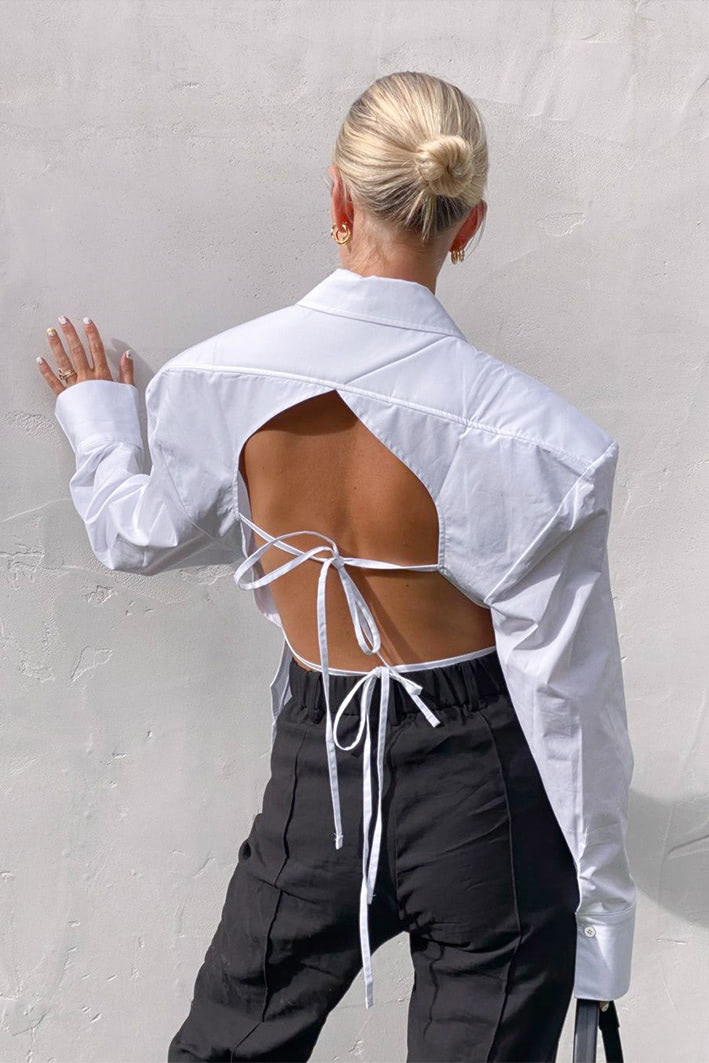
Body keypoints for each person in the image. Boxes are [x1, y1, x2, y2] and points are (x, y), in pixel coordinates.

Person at [39, 71, 634, 1062]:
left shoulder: (216, 380)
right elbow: (572, 705)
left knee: (228, 1045)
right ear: (469, 223)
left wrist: (100, 422)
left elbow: (138, 534)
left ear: (337, 198)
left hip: (320, 767)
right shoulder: (542, 442)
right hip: (482, 787)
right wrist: (603, 927)